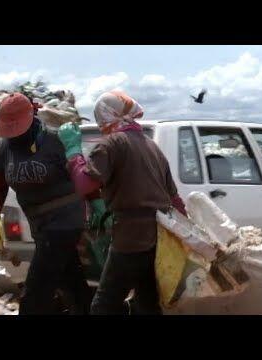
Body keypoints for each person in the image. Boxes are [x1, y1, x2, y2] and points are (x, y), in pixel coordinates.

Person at [57, 90, 187, 315]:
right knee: (146, 301)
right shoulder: (151, 146)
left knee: (104, 304)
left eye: (100, 120)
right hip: (156, 236)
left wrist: (73, 151)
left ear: (108, 117)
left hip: (130, 238)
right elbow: (175, 199)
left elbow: (83, 185)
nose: (100, 126)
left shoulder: (113, 144)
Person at [0, 92, 91, 315]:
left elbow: (83, 177)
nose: (13, 135)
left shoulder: (54, 142)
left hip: (65, 222)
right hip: (40, 226)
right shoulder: (4, 149)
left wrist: (96, 209)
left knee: (36, 291)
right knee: (72, 282)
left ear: (32, 118)